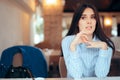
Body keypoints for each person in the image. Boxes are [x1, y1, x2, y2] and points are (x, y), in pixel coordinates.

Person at [61, 3, 115, 78]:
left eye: (93, 17)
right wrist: (73, 47)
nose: (89, 21)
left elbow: (101, 75)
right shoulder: (67, 41)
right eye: (83, 18)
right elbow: (77, 75)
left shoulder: (106, 44)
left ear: (96, 21)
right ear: (77, 22)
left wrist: (103, 48)